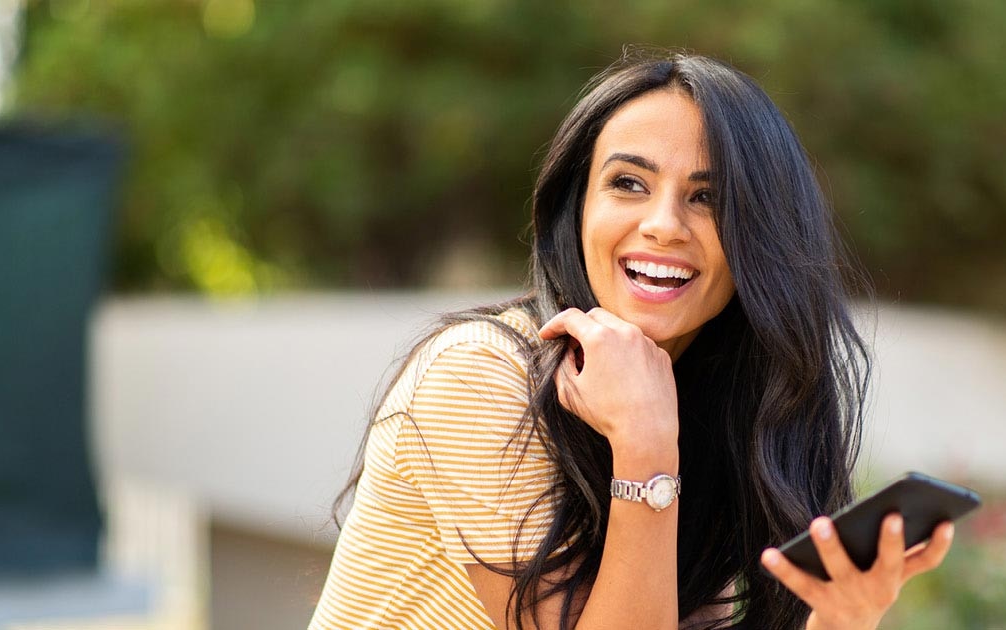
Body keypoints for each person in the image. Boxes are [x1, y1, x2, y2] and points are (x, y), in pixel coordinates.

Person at [309, 50, 955, 630]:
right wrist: (646, 448)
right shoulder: (481, 370)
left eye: (709, 198)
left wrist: (844, 620)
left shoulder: (710, 413)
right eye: (628, 184)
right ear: (577, 208)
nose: (664, 224)